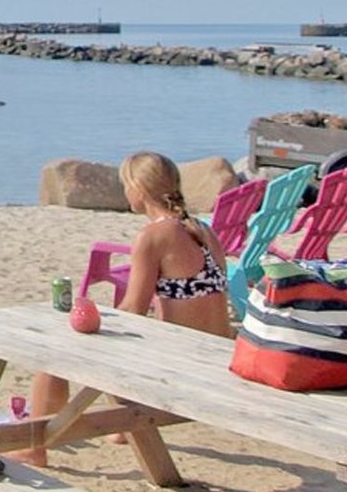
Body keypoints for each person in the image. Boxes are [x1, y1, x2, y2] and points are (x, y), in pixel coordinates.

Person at [25, 152, 230, 465]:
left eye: (126, 185)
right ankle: (122, 429)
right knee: (119, 345)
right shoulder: (203, 230)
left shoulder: (153, 236)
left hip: (185, 366)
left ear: (139, 189)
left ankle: (34, 447)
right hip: (217, 356)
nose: (125, 192)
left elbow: (133, 309)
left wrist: (89, 318)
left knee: (53, 355)